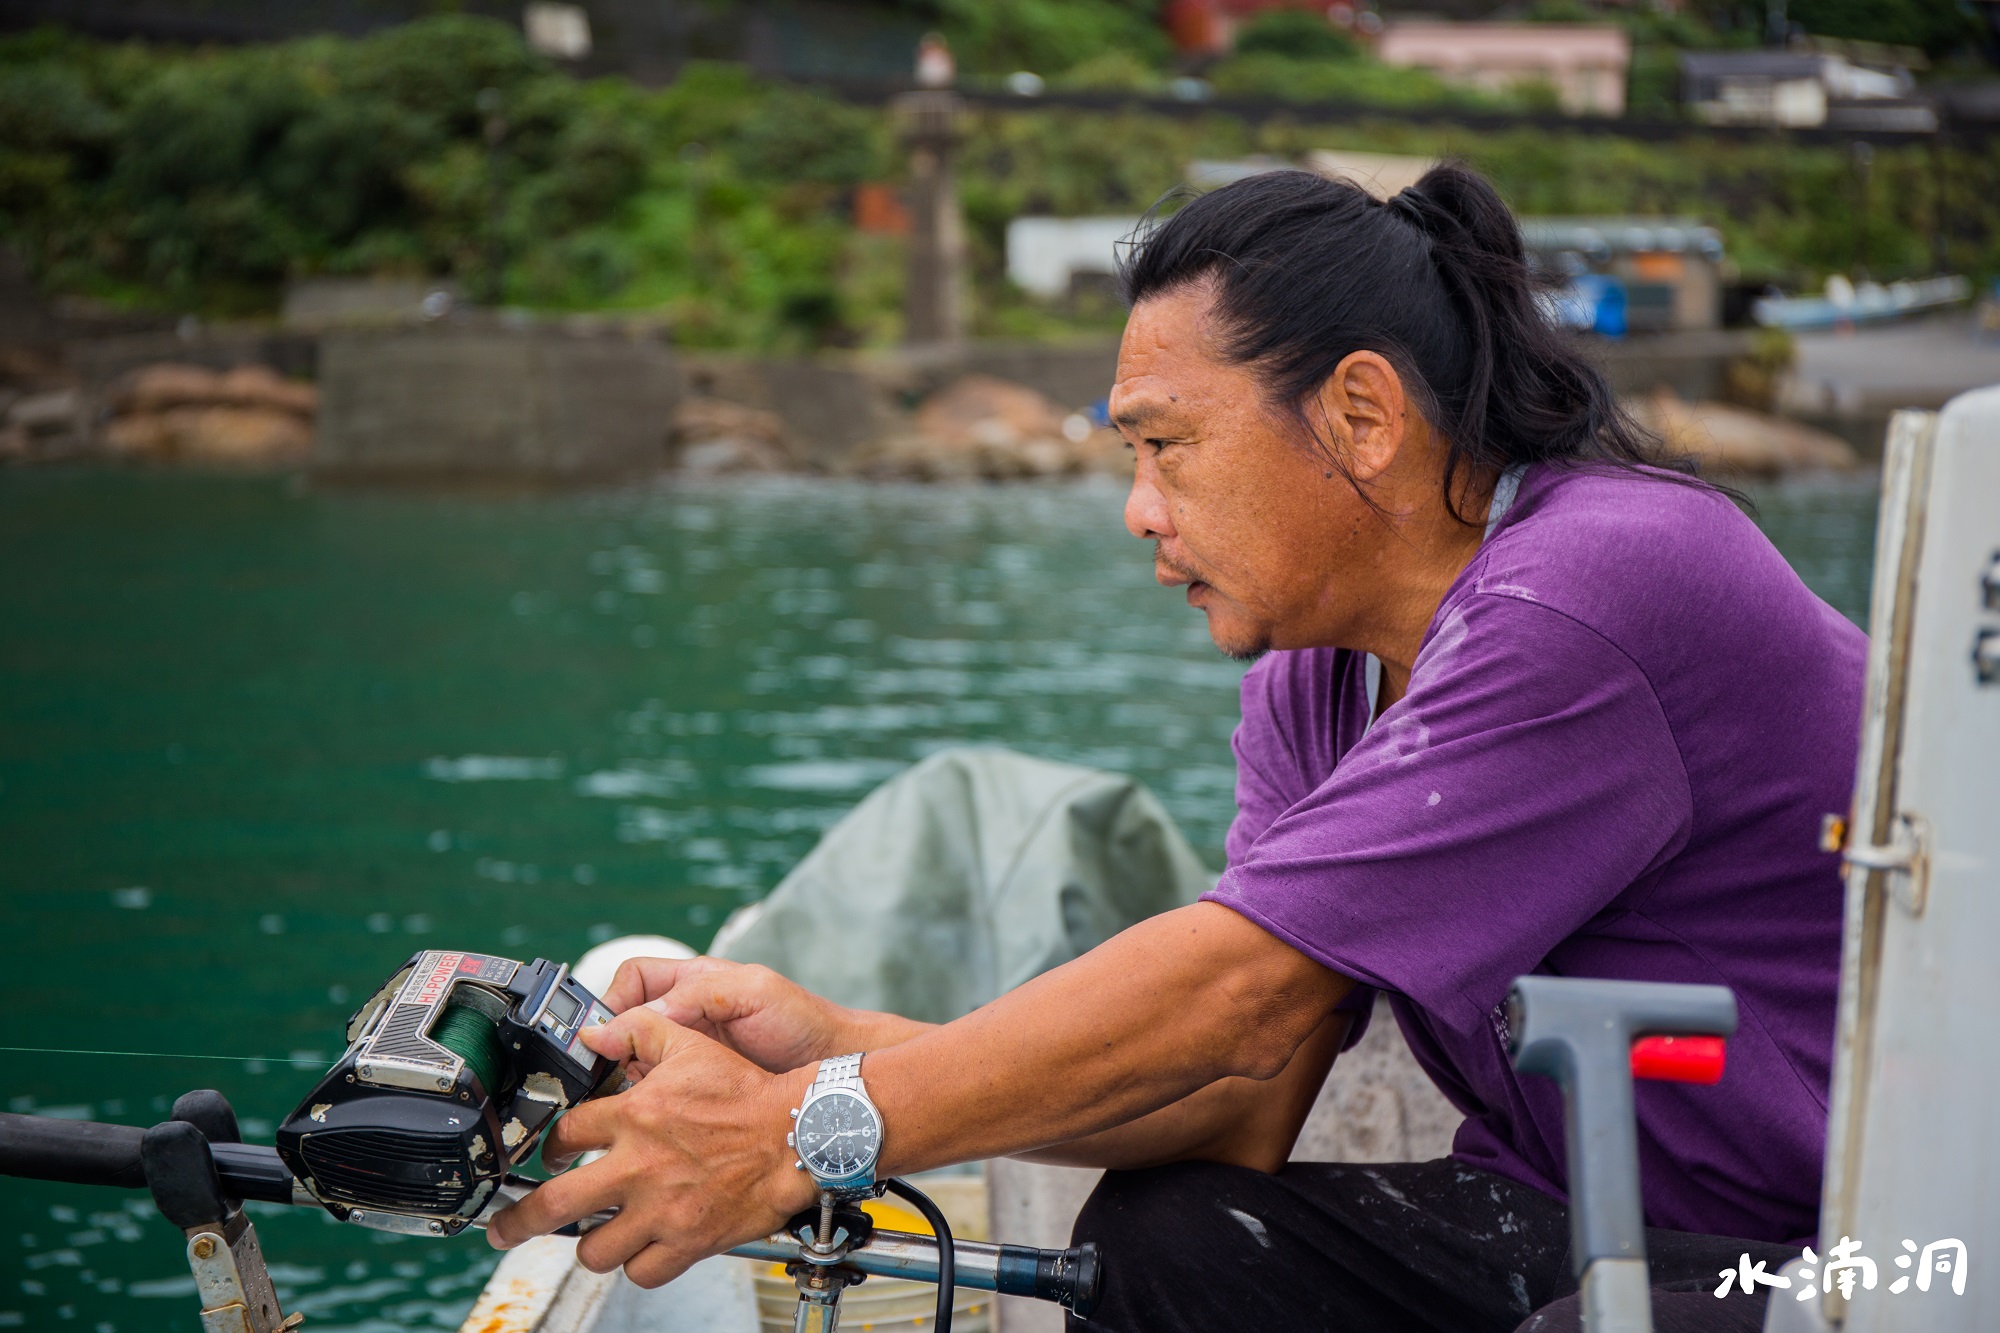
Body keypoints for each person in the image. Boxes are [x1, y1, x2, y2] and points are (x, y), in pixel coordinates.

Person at [487, 164, 1861, 1332]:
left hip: (1852, 1240)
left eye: (1169, 445)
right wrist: (828, 1046)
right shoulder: (1311, 681)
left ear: (1363, 416)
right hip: (1576, 1211)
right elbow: (1245, 1090)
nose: (1140, 510)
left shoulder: (1600, 585)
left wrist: (796, 1128)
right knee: (1173, 1242)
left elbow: (1233, 994)